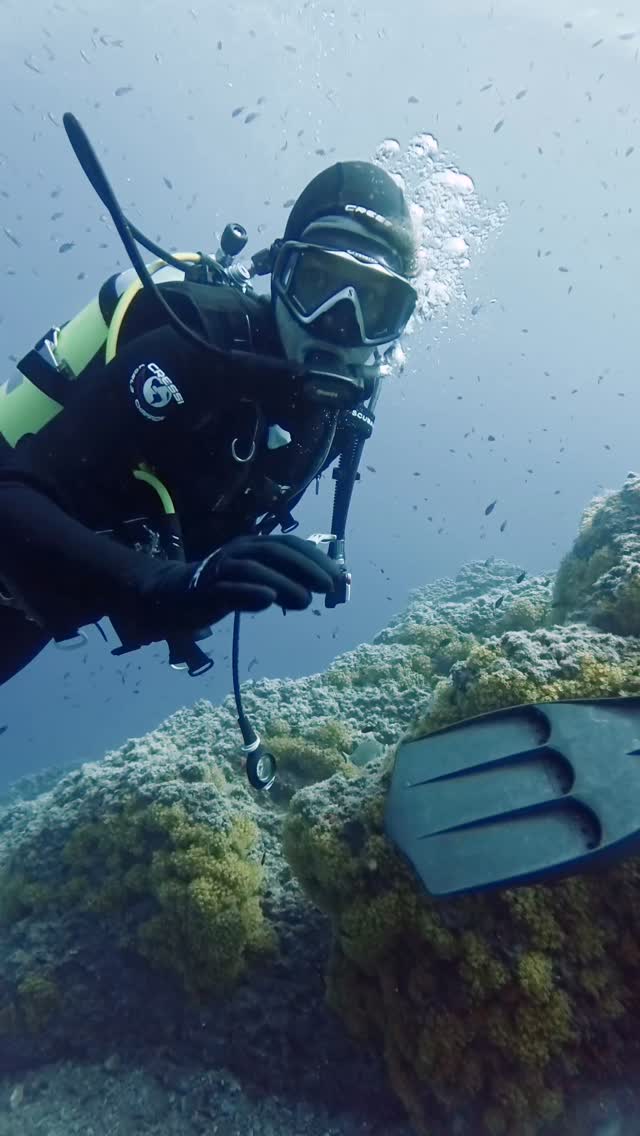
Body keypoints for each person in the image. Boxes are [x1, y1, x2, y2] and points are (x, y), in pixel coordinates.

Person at [0, 152, 418, 686]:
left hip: (38, 603)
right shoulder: (195, 348)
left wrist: (197, 582)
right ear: (279, 274)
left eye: (374, 305)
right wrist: (160, 586)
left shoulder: (335, 419)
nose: (339, 322)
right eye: (318, 283)